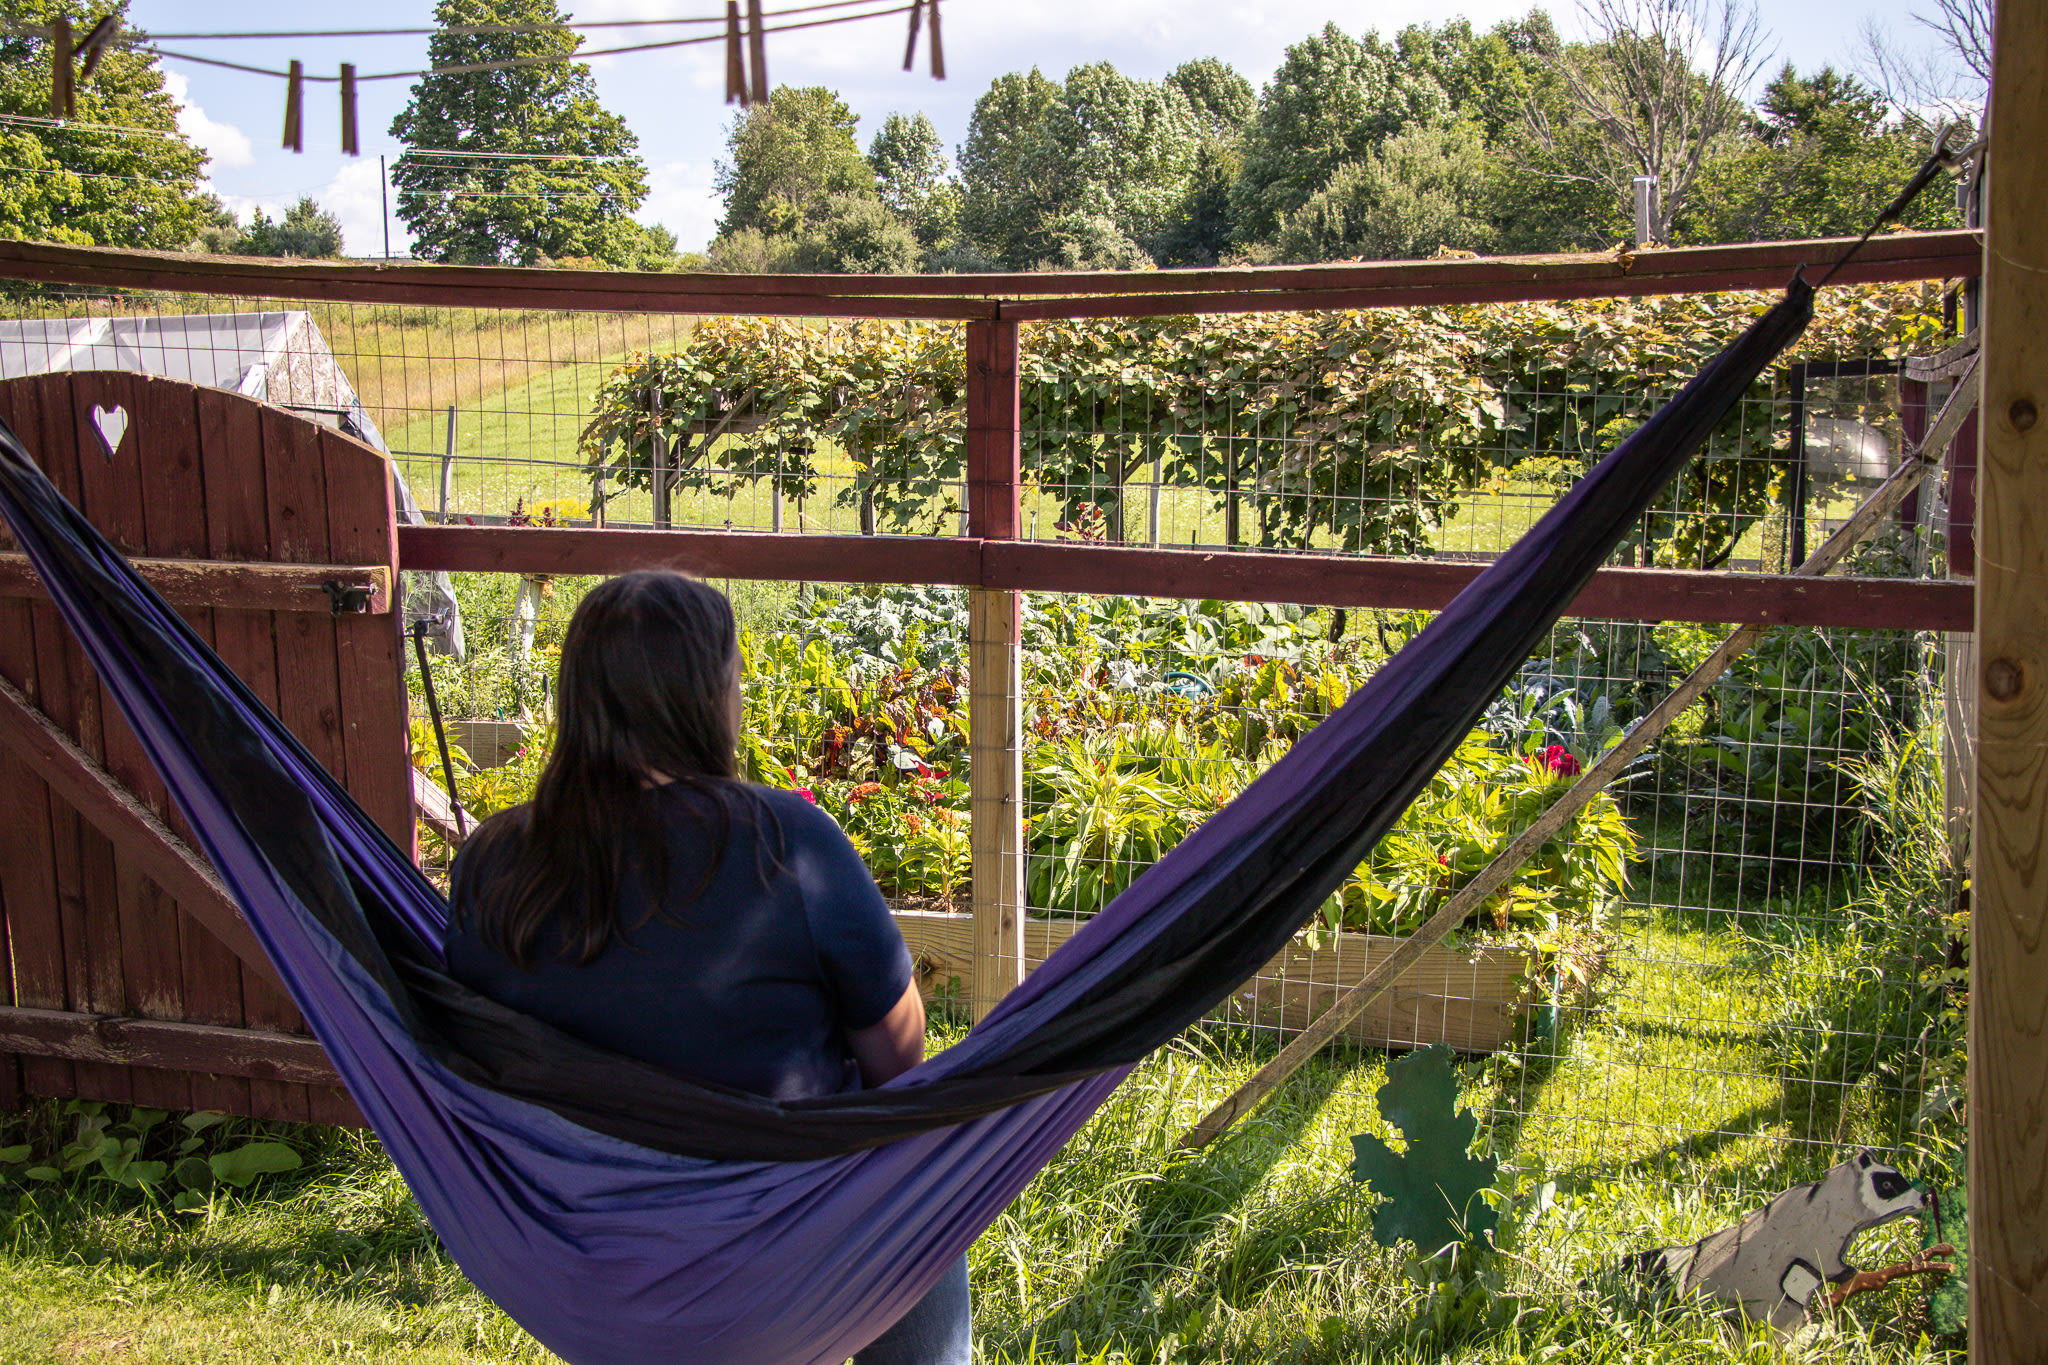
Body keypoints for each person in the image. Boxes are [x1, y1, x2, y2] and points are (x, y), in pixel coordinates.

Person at [446, 571, 970, 1365]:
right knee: (918, 1179)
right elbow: (900, 1062)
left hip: (581, 1261)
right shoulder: (787, 845)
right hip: (776, 1260)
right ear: (706, 699)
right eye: (734, 680)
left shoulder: (492, 864)